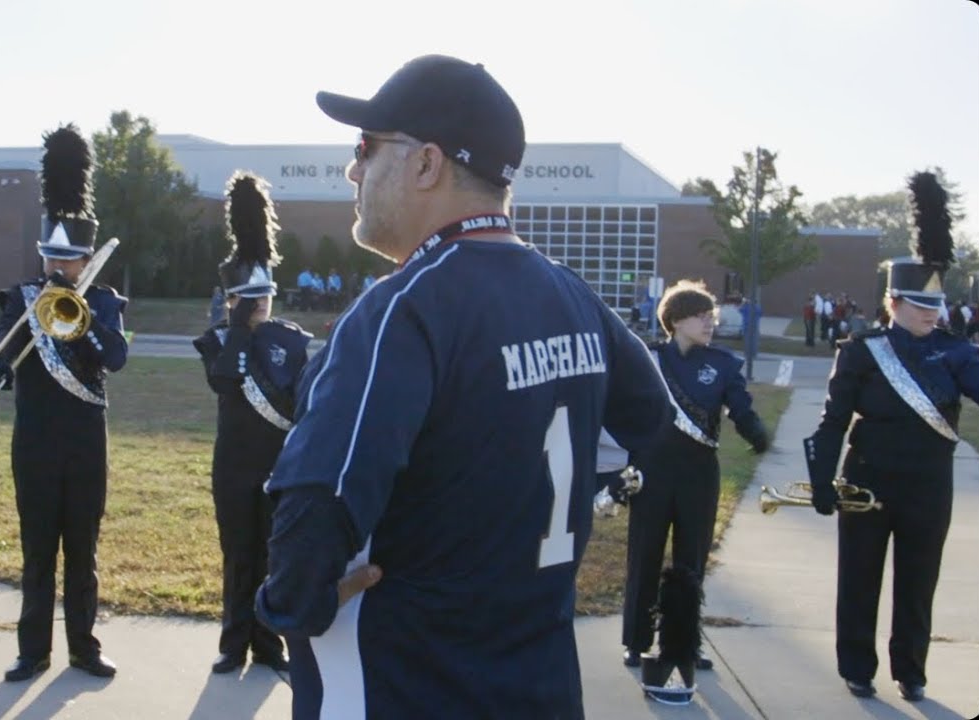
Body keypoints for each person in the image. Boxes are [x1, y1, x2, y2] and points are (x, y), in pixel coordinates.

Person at [253, 54, 673, 719]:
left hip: (406, 686)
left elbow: (318, 503)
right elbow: (647, 421)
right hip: (541, 685)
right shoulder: (572, 295)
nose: (352, 169)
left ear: (425, 164)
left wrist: (289, 602)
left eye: (366, 147)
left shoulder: (403, 307)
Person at [804, 172, 979, 702]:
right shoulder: (861, 350)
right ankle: (857, 665)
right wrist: (821, 479)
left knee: (918, 581)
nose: (932, 314)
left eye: (935, 307)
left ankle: (911, 669)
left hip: (929, 483)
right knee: (859, 578)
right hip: (867, 478)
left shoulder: (956, 352)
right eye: (920, 306)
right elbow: (834, 419)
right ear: (894, 304)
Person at [0, 124, 129, 682]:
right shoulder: (21, 299)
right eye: (50, 256)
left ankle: (83, 647)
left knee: (82, 553)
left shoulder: (107, 303)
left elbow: (113, 359)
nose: (56, 267)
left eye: (67, 260)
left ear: (86, 257)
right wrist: (25, 325)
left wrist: (80, 322)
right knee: (38, 550)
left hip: (86, 443)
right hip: (36, 442)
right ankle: (32, 651)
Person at [194, 171, 311, 675]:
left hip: (279, 465)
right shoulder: (218, 341)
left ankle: (269, 644)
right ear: (233, 298)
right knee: (239, 555)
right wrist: (238, 326)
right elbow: (224, 382)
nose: (262, 303)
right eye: (251, 296)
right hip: (235, 466)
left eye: (265, 294)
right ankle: (232, 642)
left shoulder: (291, 339)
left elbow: (303, 402)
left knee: (274, 555)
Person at [620, 280, 769, 673]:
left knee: (691, 564)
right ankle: (635, 641)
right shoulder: (647, 358)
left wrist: (757, 434)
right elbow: (625, 408)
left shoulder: (722, 364)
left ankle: (684, 644)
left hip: (699, 474)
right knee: (644, 557)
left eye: (711, 315)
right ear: (676, 320)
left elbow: (740, 407)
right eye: (701, 316)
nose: (710, 323)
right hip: (652, 471)